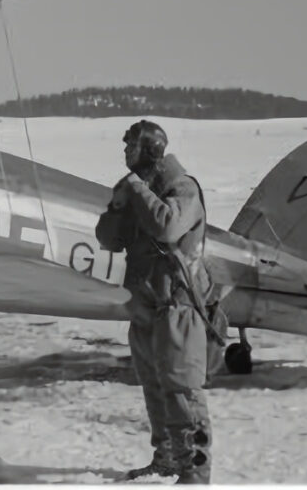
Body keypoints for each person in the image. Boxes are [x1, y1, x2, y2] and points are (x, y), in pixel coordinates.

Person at [95, 120, 212, 484]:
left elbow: (168, 227)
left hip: (178, 307)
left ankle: (195, 472)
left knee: (181, 391)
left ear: (149, 149)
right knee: (155, 390)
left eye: (130, 144)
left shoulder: (182, 188)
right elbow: (108, 239)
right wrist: (118, 206)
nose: (124, 151)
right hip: (146, 308)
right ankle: (167, 459)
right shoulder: (137, 192)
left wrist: (136, 191)